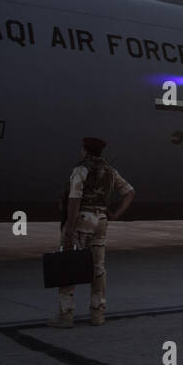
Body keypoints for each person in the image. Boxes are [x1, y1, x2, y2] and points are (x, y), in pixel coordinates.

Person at [49, 137, 135, 328]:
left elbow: (74, 199)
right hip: (101, 220)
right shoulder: (110, 171)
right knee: (98, 268)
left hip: (81, 219)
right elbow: (130, 192)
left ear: (85, 151)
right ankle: (97, 314)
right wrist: (116, 214)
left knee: (68, 265)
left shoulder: (81, 169)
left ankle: (66, 315)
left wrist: (69, 229)